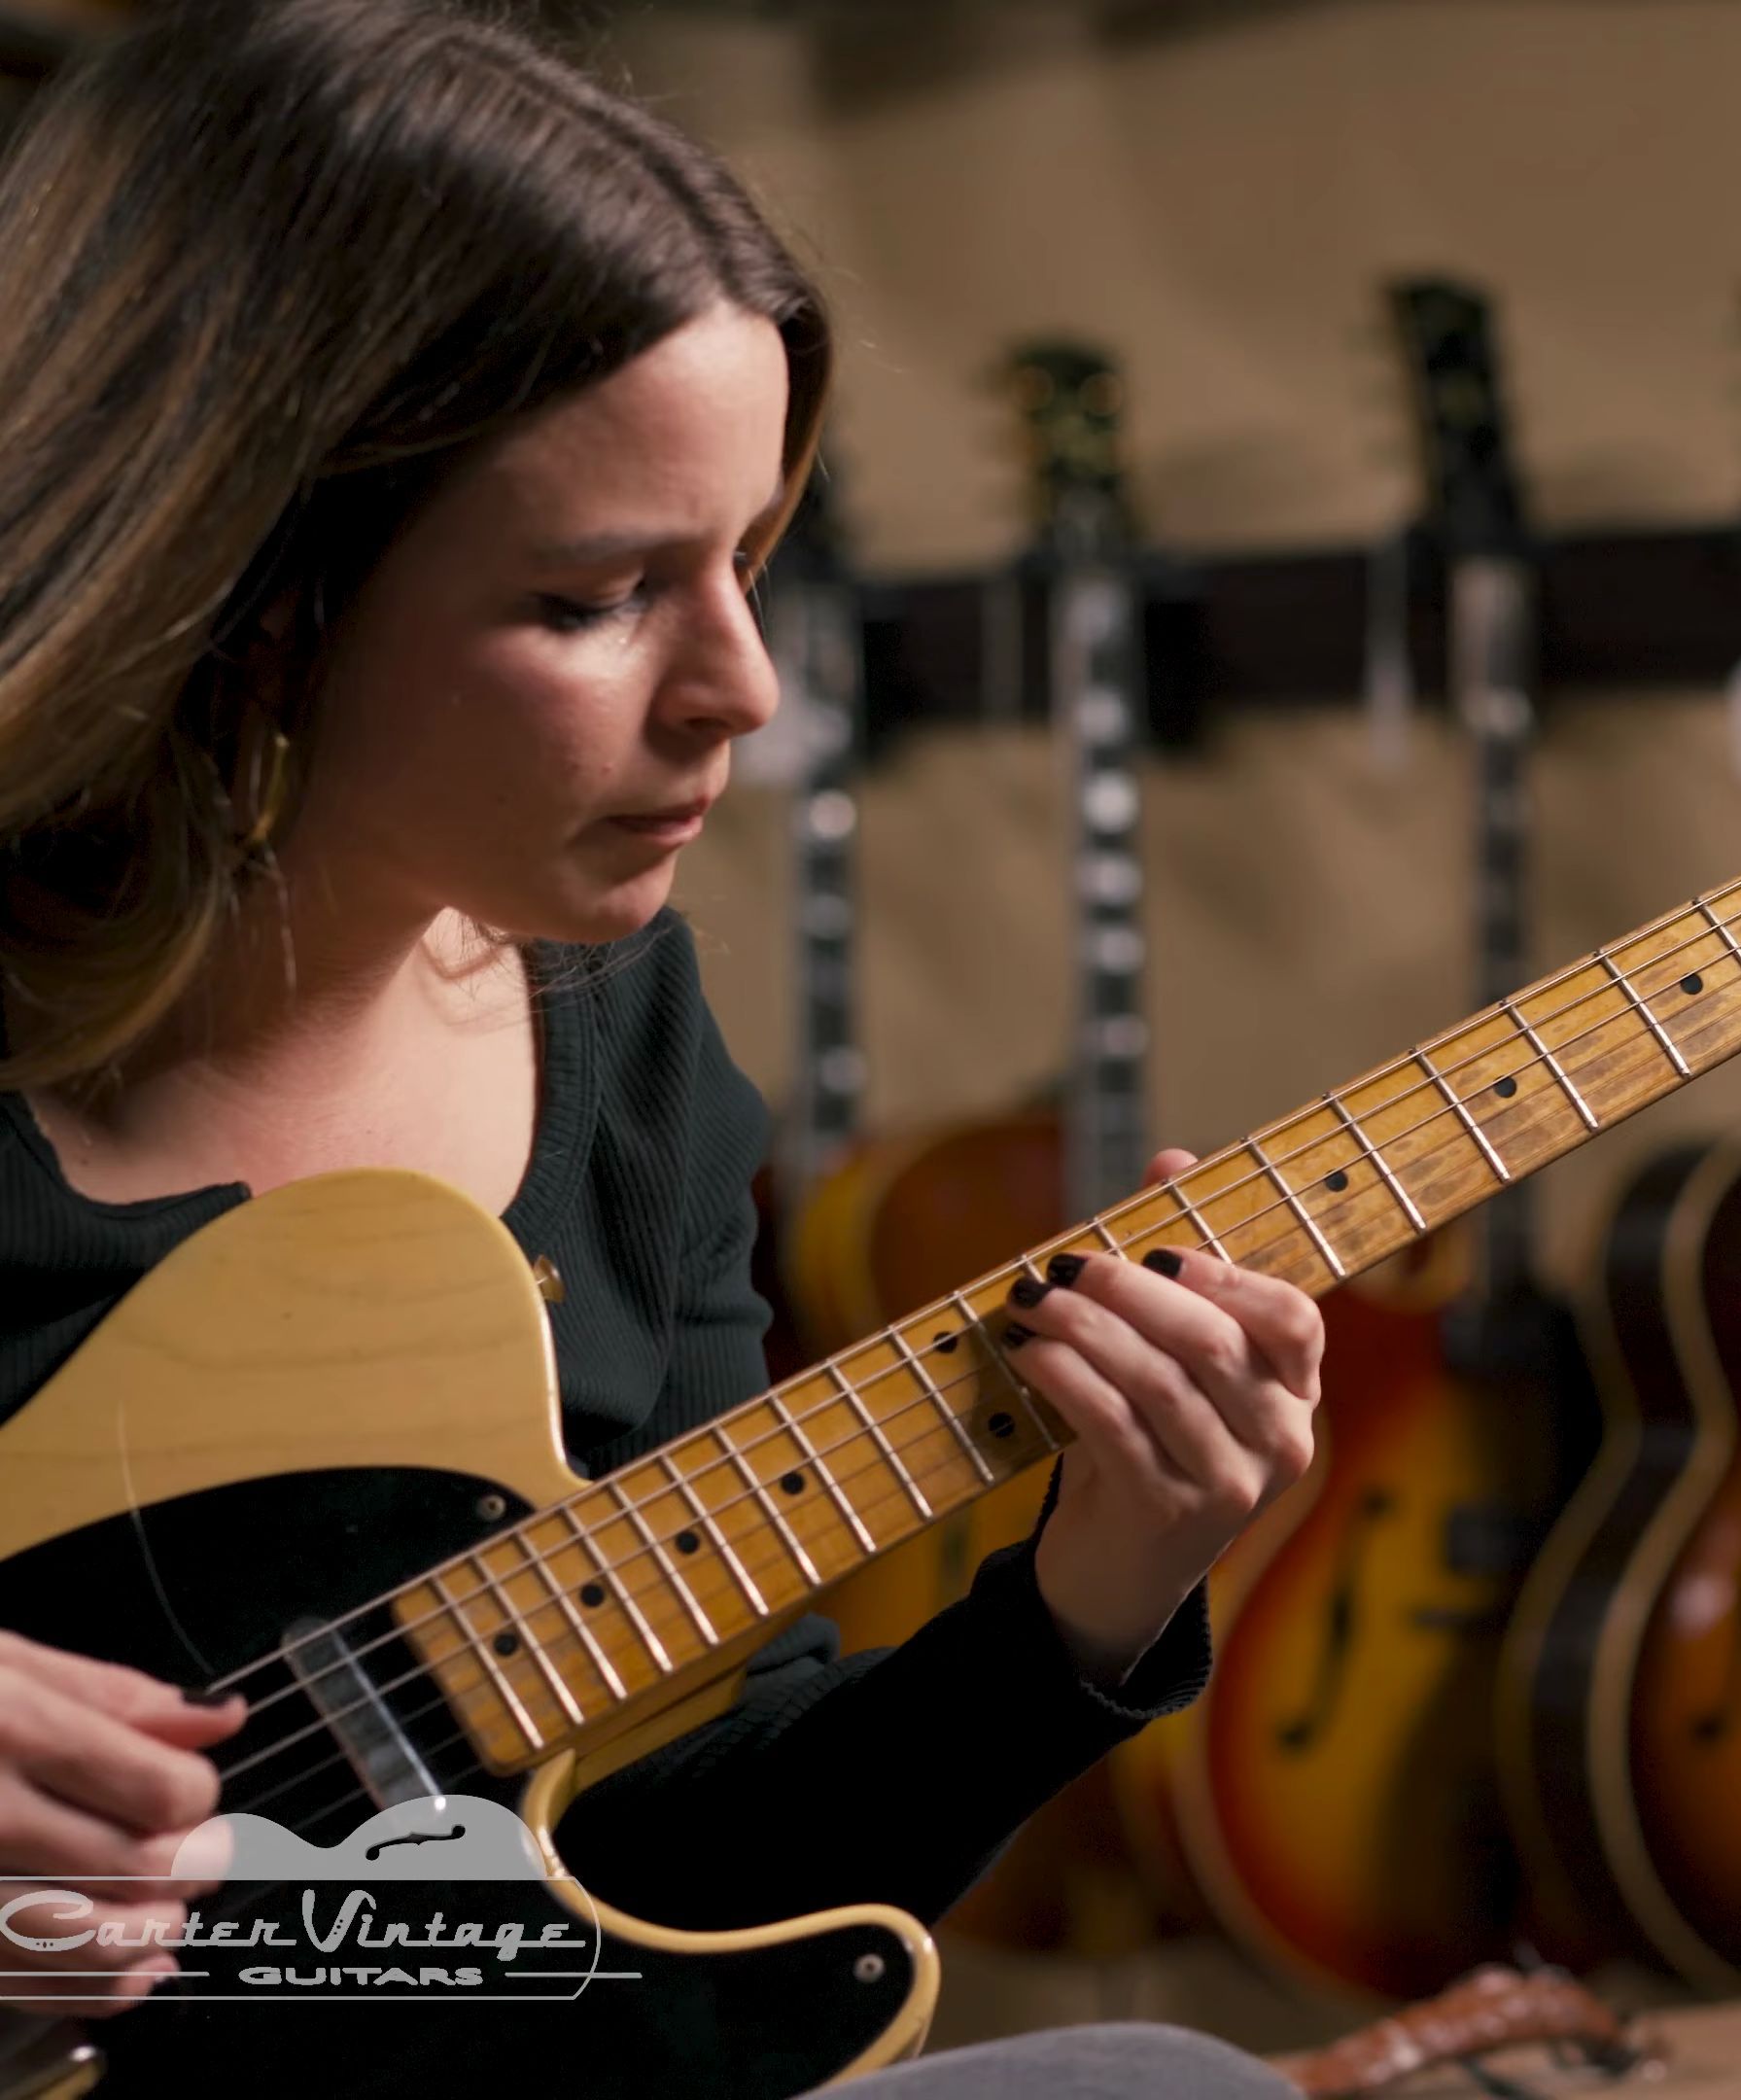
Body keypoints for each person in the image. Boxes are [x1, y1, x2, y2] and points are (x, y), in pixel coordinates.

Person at [0, 3, 1305, 2091]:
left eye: (754, 558)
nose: (743, 690)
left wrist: (1087, 1604)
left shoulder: (619, 1037)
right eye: (604, 594)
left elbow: (663, 1881)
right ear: (244, 585)